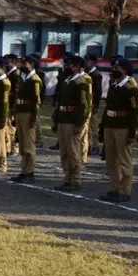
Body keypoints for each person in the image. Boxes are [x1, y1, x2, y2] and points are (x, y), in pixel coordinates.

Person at [98, 57, 138, 203]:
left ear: (124, 70)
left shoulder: (130, 87)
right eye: (113, 68)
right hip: (110, 124)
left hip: (123, 127)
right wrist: (102, 129)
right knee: (111, 159)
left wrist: (132, 132)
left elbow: (134, 112)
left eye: (117, 68)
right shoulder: (114, 85)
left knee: (124, 160)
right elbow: (107, 107)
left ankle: (125, 190)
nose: (113, 70)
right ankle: (115, 188)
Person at [52, 55, 91, 191]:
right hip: (63, 119)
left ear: (77, 67)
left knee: (73, 152)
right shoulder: (66, 81)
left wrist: (79, 123)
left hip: (72, 121)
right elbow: (60, 101)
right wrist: (56, 119)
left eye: (71, 65)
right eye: (66, 65)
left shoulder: (81, 82)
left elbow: (84, 105)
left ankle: (75, 180)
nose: (67, 67)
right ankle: (67, 178)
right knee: (64, 151)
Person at [12, 55, 43, 183]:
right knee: (23, 144)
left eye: (25, 63)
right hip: (20, 112)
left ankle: (30, 171)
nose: (22, 65)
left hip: (28, 114)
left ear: (31, 64)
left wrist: (33, 119)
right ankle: (24, 170)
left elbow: (36, 102)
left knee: (29, 145)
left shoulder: (34, 80)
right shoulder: (23, 78)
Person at [50, 51, 74, 150]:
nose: (65, 64)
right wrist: (55, 99)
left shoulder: (71, 74)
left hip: (68, 102)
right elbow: (59, 87)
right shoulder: (63, 73)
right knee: (57, 120)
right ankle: (59, 141)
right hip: (60, 99)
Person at [84, 54, 103, 156]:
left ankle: (96, 145)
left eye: (88, 61)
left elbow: (98, 91)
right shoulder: (86, 73)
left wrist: (95, 105)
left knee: (93, 126)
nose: (87, 63)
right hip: (86, 103)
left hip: (92, 104)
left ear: (93, 62)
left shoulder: (96, 74)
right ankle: (89, 145)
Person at [3, 53, 20, 156]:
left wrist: (14, 107)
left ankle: (14, 148)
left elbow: (16, 92)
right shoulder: (8, 73)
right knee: (6, 127)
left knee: (11, 127)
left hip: (12, 104)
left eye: (7, 62)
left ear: (13, 62)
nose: (5, 64)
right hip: (6, 103)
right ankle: (8, 147)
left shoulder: (16, 74)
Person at [31, 52, 46, 146]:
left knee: (35, 119)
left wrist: (39, 101)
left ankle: (39, 139)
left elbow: (42, 89)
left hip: (36, 99)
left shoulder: (39, 73)